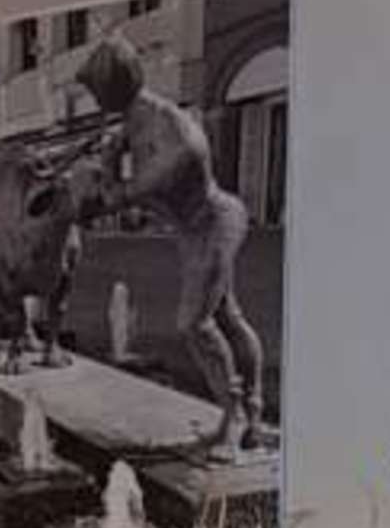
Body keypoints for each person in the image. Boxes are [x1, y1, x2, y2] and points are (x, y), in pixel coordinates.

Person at [69, 36, 268, 457]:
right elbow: (120, 161)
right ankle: (251, 411)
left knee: (194, 323)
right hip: (193, 231)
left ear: (114, 85)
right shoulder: (133, 120)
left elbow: (136, 190)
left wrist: (104, 184)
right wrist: (107, 158)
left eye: (97, 91)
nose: (96, 100)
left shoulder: (170, 128)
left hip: (216, 223)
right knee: (228, 317)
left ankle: (234, 420)